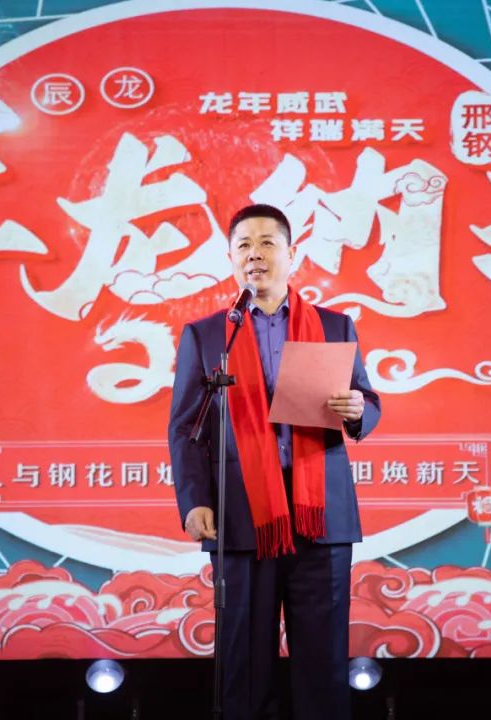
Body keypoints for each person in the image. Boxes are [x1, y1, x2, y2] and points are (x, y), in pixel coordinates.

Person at [168, 204, 381, 720]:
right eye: (244, 245)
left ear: (292, 254)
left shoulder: (333, 326)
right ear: (230, 258)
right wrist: (194, 500)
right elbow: (186, 429)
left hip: (320, 515)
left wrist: (358, 411)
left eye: (267, 243)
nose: (255, 254)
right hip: (242, 514)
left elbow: (367, 402)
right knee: (243, 663)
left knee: (323, 662)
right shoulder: (210, 335)